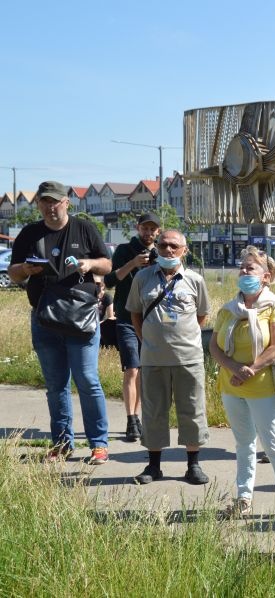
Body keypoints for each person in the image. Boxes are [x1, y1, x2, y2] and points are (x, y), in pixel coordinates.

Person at [9, 180, 112, 464]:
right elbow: (14, 273)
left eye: (55, 201)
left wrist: (89, 265)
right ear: (39, 204)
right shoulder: (30, 233)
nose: (50, 207)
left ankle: (99, 445)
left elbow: (107, 264)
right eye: (45, 201)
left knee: (88, 381)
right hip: (45, 319)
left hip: (81, 318)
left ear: (67, 202)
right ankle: (62, 444)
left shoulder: (84, 229)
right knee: (56, 385)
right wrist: (26, 269)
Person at [209, 246, 275, 523]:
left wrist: (251, 369)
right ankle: (243, 499)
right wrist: (233, 369)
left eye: (250, 268)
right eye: (242, 267)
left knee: (274, 444)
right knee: (243, 444)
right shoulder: (229, 309)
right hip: (232, 386)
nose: (244, 271)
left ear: (266, 276)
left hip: (263, 387)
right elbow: (214, 347)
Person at [126, 229, 211, 485]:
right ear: (157, 248)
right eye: (163, 245)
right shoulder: (142, 278)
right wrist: (150, 341)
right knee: (153, 413)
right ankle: (153, 466)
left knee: (193, 411)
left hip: (189, 359)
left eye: (174, 246)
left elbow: (201, 316)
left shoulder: (195, 280)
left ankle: (193, 465)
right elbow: (135, 315)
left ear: (184, 250)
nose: (168, 250)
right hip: (153, 359)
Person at [104, 212, 161, 441]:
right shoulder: (124, 250)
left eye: (152, 229)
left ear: (157, 231)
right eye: (144, 228)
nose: (148, 233)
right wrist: (133, 263)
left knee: (145, 371)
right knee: (131, 368)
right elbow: (109, 281)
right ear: (138, 228)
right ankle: (131, 419)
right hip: (126, 317)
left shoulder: (161, 252)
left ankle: (140, 418)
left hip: (152, 320)